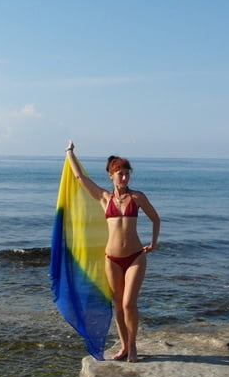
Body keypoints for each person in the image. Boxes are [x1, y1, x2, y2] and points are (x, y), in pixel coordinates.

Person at [65, 140, 160, 362]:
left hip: (135, 257)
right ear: (111, 175)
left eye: (127, 174)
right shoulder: (104, 198)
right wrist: (70, 153)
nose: (125, 178)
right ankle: (124, 346)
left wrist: (153, 243)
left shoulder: (137, 198)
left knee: (129, 303)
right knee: (117, 304)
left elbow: (156, 219)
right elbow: (80, 178)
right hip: (112, 259)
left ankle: (133, 345)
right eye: (120, 174)